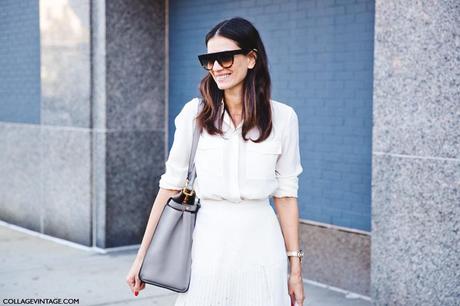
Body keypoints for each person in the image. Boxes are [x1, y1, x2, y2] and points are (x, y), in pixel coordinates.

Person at [126, 16, 305, 306]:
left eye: (224, 58)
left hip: (261, 246)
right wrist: (142, 257)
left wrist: (295, 270)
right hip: (207, 245)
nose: (217, 67)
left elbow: (286, 195)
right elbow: (170, 187)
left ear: (251, 58)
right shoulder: (194, 115)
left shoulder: (283, 118)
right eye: (209, 60)